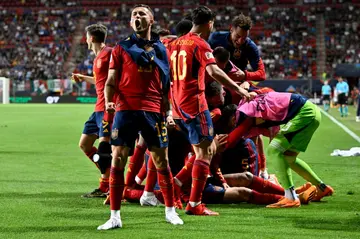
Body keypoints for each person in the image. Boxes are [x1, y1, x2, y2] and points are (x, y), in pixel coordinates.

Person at [97, 4, 183, 230]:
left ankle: (170, 211)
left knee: (161, 160)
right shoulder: (121, 48)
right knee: (117, 159)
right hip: (125, 109)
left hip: (153, 110)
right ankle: (114, 216)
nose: (137, 17)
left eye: (141, 14)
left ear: (151, 20)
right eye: (134, 15)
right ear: (130, 23)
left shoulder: (162, 50)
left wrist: (169, 112)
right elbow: (111, 80)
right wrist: (108, 100)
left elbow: (166, 85)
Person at [167, 6, 251, 216]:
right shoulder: (199, 43)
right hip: (195, 106)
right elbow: (213, 71)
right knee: (205, 152)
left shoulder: (175, 43)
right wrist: (238, 88)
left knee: (203, 151)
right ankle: (194, 203)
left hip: (177, 108)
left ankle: (177, 185)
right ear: (210, 23)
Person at [222, 90, 334, 208]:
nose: (233, 126)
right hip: (311, 113)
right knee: (288, 158)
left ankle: (291, 197)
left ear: (233, 117)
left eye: (231, 123)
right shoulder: (255, 109)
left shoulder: (244, 113)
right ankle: (322, 187)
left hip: (304, 113)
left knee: (273, 150)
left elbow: (231, 141)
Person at [71, 24, 113, 198]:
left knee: (105, 150)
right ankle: (108, 180)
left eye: (87, 37)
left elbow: (116, 78)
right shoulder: (97, 58)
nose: (85, 40)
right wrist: (83, 77)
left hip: (107, 108)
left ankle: (107, 185)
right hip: (97, 108)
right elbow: (100, 80)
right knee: (85, 144)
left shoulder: (110, 53)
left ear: (92, 38)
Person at [208, 13, 266, 82]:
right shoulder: (215, 38)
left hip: (237, 82)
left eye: (244, 38)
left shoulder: (250, 47)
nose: (240, 41)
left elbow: (262, 74)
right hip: (214, 78)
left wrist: (245, 75)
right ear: (231, 30)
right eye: (238, 36)